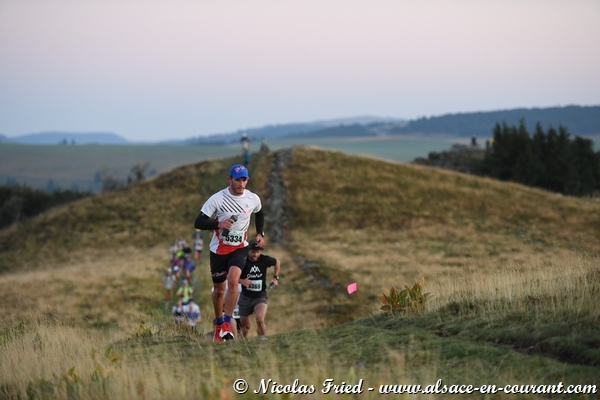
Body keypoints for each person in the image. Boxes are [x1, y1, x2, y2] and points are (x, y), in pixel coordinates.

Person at [194, 163, 265, 342]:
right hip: (218, 250)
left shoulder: (252, 198)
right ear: (229, 179)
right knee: (219, 291)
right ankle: (219, 323)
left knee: (233, 281)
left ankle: (226, 322)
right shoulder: (217, 199)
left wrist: (260, 233)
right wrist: (218, 224)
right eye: (238, 180)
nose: (241, 184)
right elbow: (199, 222)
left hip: (240, 248)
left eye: (244, 180)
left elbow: (259, 212)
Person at [238, 241, 280, 339]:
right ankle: (242, 343)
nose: (256, 254)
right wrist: (242, 281)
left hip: (260, 296)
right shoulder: (242, 261)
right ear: (248, 251)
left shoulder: (264, 259)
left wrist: (275, 278)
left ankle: (263, 341)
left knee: (260, 319)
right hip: (245, 297)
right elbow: (230, 275)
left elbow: (277, 262)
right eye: (253, 252)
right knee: (245, 327)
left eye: (258, 252)